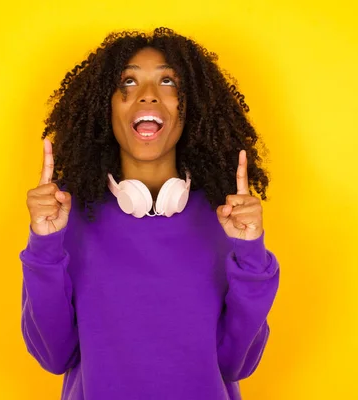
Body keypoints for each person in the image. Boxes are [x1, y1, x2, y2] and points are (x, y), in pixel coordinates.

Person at [19, 27, 280, 400]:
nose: (147, 94)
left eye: (168, 80)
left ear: (191, 106)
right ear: (105, 106)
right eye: (128, 80)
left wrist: (251, 253)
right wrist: (44, 246)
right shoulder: (65, 217)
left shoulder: (226, 220)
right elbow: (53, 355)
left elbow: (237, 364)